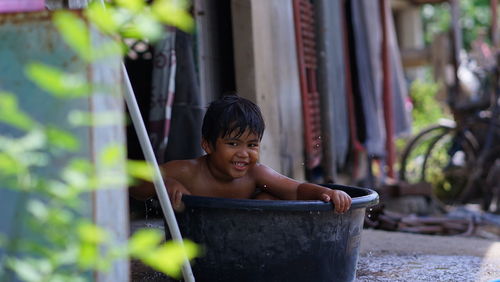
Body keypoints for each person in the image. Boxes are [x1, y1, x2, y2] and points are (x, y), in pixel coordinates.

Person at [130, 95, 352, 213]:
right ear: (207, 145)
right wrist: (163, 185)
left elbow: (295, 190)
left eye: (252, 145)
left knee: (269, 198)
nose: (244, 154)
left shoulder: (255, 174)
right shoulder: (187, 172)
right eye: (233, 143)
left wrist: (327, 193)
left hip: (243, 245)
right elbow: (135, 189)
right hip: (196, 250)